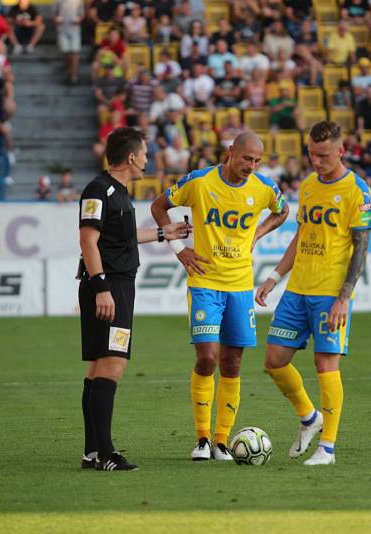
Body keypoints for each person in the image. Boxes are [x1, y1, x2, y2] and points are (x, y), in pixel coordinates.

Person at [150, 132, 289, 461]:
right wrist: (179, 249)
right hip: (205, 283)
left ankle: (221, 441)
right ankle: (200, 438)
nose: (251, 167)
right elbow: (158, 206)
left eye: (257, 161)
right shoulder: (199, 182)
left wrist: (258, 232)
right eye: (246, 159)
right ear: (231, 152)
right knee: (208, 356)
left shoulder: (264, 188)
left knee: (233, 362)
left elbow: (282, 212)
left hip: (240, 285)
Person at [255, 120, 371, 466]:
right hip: (297, 289)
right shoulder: (307, 186)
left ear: (341, 151)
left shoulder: (357, 190)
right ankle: (309, 418)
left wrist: (344, 297)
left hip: (329, 293)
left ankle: (328, 448)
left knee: (325, 363)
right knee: (274, 361)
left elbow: (361, 245)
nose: (317, 161)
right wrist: (275, 277)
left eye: (323, 155)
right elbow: (300, 236)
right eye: (312, 154)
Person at [78, 127, 190, 471]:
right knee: (113, 365)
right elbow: (88, 241)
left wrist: (163, 233)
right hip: (109, 287)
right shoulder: (99, 189)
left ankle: (93, 453)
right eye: (144, 153)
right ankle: (107, 452)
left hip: (116, 285)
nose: (147, 159)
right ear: (130, 157)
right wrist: (101, 287)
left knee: (100, 368)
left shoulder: (118, 193)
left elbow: (120, 238)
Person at [54, 0, 84, 84]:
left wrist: (78, 20)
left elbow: (81, 14)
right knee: (66, 52)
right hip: (62, 30)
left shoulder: (78, 1)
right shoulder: (58, 1)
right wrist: (57, 20)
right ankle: (68, 73)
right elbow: (54, 13)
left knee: (75, 52)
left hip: (75, 30)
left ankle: (74, 75)